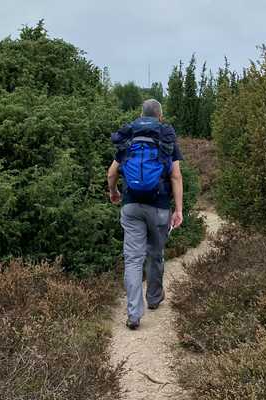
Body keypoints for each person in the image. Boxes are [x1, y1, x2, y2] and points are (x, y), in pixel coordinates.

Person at [107, 99, 184, 330]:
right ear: (160, 116)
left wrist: (114, 192)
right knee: (155, 254)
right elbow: (176, 176)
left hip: (131, 206)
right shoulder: (166, 138)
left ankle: (133, 314)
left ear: (141, 115)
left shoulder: (129, 137)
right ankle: (153, 298)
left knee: (133, 259)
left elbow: (112, 173)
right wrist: (179, 210)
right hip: (159, 206)